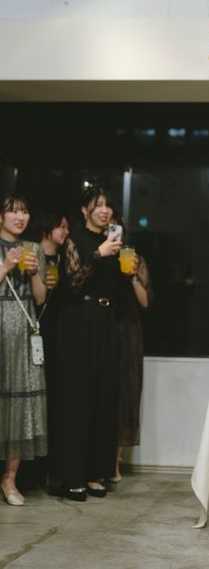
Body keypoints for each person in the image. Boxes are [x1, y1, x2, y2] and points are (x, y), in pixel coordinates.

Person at [50, 187, 123, 501]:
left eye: (108, 206)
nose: (104, 210)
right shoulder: (75, 239)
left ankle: (95, 473)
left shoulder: (114, 241)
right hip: (79, 319)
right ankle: (71, 476)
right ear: (85, 210)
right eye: (98, 205)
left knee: (103, 395)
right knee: (76, 397)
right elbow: (72, 283)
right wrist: (98, 254)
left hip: (106, 320)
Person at [0, 193, 47, 506]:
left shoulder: (34, 249)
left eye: (25, 212)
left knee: (19, 402)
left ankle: (10, 479)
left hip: (23, 331)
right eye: (13, 212)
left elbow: (41, 298)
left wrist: (32, 273)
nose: (20, 217)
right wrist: (6, 265)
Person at [17, 213, 70, 490]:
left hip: (59, 333)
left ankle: (50, 470)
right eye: (61, 226)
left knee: (54, 400)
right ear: (47, 229)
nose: (66, 231)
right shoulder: (29, 252)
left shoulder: (65, 259)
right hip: (34, 330)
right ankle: (27, 472)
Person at [110, 211, 153, 483]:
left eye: (117, 229)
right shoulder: (100, 259)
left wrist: (134, 275)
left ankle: (114, 462)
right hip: (105, 327)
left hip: (128, 331)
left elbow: (145, 302)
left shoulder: (135, 259)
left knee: (125, 396)